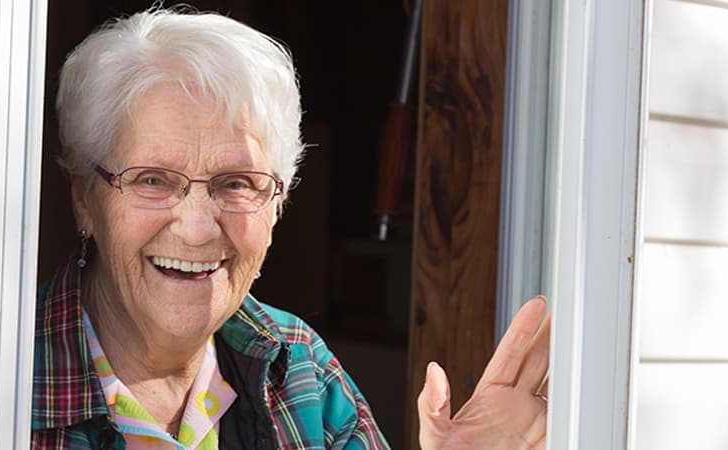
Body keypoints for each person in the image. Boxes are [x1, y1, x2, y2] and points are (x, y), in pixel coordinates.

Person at [31, 6, 551, 449]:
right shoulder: (8, 383)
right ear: (84, 200)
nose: (195, 228)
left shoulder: (299, 368)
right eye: (152, 179)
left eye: (236, 183)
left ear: (277, 204)